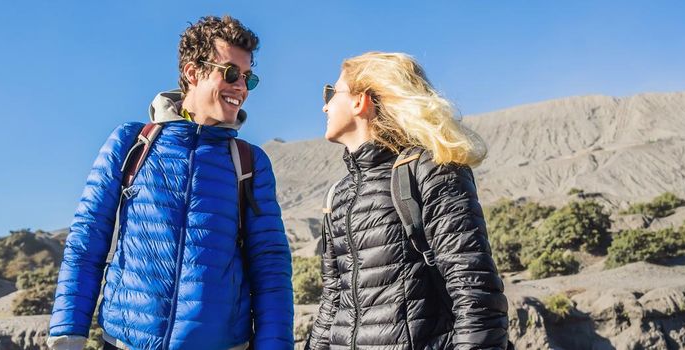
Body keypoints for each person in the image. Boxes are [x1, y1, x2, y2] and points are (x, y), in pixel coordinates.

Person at [47, 15, 294, 350]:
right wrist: (67, 333)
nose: (240, 87)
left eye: (248, 79)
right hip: (124, 343)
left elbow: (271, 266)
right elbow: (86, 242)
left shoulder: (249, 162)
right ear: (193, 73)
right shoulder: (130, 143)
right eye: (231, 73)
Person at [307, 52, 509, 350]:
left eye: (331, 92)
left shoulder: (431, 169)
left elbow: (475, 294)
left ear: (360, 101)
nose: (325, 104)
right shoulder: (338, 195)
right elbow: (332, 302)